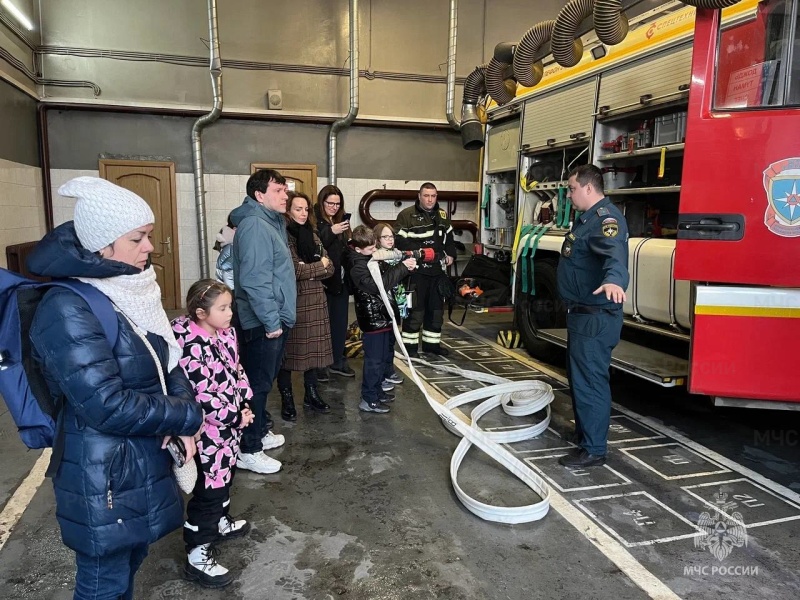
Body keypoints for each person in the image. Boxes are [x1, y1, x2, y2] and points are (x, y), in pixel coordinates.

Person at [27, 176, 204, 600]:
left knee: (131, 560)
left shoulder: (135, 291)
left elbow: (168, 357)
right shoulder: (68, 306)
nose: (149, 247)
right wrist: (188, 415)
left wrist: (182, 407)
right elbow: (105, 405)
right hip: (101, 471)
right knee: (103, 582)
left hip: (137, 458)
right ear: (102, 245)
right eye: (137, 238)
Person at [172, 279, 255, 588]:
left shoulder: (226, 334)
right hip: (207, 434)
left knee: (225, 479)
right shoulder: (189, 345)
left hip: (229, 429)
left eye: (229, 306)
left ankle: (220, 523)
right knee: (209, 491)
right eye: (222, 308)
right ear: (200, 313)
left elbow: (236, 370)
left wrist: (245, 402)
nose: (229, 313)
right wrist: (235, 415)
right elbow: (203, 396)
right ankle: (197, 552)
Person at [556, 164, 629, 468]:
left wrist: (614, 280)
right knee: (579, 379)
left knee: (589, 382)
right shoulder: (586, 220)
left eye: (572, 188)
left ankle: (594, 449)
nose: (569, 195)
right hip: (582, 315)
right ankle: (585, 434)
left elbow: (614, 254)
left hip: (594, 316)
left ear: (588, 188)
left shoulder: (605, 220)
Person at [230, 169, 294, 474]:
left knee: (262, 383)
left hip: (272, 316)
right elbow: (255, 281)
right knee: (255, 384)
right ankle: (248, 447)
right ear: (259, 195)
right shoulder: (256, 225)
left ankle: (258, 430)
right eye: (279, 190)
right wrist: (271, 321)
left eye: (286, 190)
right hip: (262, 321)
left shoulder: (271, 221)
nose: (285, 196)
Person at [344, 225, 416, 413]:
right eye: (370, 249)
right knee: (373, 361)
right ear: (358, 249)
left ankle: (376, 391)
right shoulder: (358, 267)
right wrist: (402, 268)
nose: (375, 251)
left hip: (382, 316)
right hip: (373, 319)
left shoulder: (368, 258)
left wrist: (403, 266)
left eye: (375, 247)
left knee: (383, 356)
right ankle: (368, 398)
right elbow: (379, 285)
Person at [276, 192, 335, 418]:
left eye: (306, 209)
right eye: (297, 209)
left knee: (314, 353)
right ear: (288, 211)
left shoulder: (312, 234)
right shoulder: (284, 235)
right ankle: (287, 399)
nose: (302, 213)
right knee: (289, 354)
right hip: (294, 300)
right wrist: (317, 267)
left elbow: (330, 267)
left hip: (316, 299)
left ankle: (311, 394)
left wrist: (314, 268)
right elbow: (295, 270)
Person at [394, 182, 457, 356]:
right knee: (415, 312)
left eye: (433, 196)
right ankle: (410, 349)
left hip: (437, 273)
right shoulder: (406, 216)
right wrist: (420, 251)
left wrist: (451, 253)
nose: (430, 199)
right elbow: (398, 241)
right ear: (419, 196)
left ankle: (432, 346)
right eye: (426, 196)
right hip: (415, 273)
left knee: (436, 311)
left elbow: (449, 238)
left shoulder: (442, 215)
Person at [314, 184, 354, 380]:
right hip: (322, 282)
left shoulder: (341, 221)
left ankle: (338, 359)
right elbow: (313, 245)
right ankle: (320, 365)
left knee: (339, 324)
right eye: (330, 203)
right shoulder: (314, 220)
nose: (334, 207)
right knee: (322, 325)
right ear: (322, 202)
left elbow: (345, 249)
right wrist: (332, 230)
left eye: (338, 204)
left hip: (340, 281)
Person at [373, 222, 409, 392]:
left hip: (396, 300)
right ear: (377, 239)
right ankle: (381, 376)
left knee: (391, 340)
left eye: (391, 236)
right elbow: (386, 280)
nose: (389, 240)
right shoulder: (377, 257)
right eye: (385, 237)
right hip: (384, 304)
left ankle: (388, 371)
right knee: (383, 343)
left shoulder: (396, 254)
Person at [214, 213, 236, 289]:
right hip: (231, 294)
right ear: (235, 229)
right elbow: (228, 273)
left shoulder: (230, 246)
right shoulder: (232, 248)